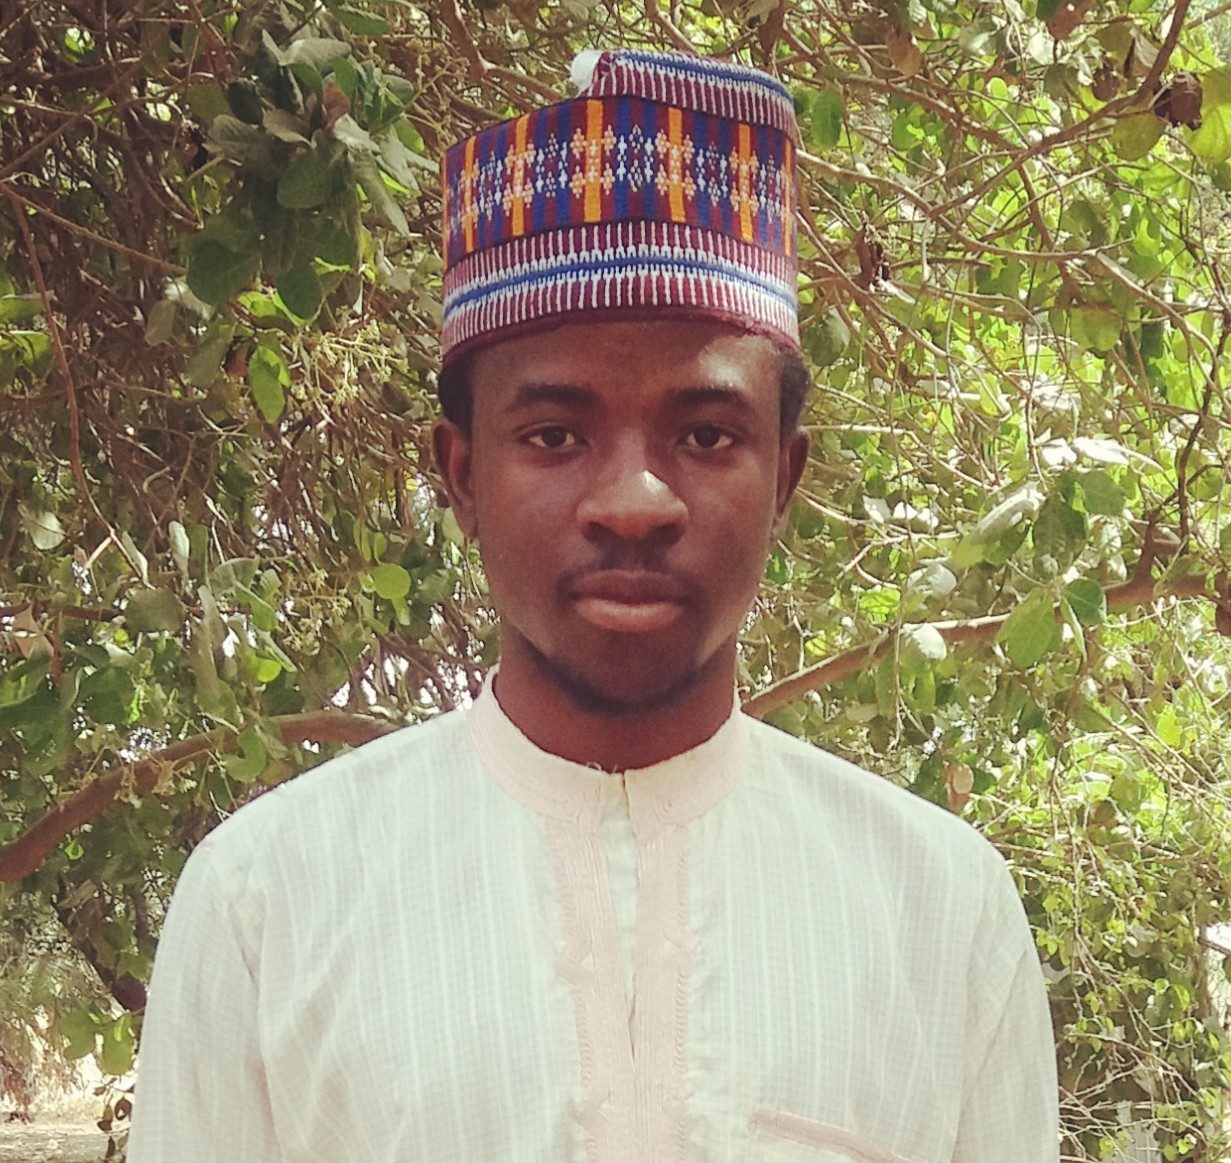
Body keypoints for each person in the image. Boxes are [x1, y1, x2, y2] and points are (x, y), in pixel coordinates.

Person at [127, 48, 1060, 1162]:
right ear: (462, 475)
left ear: (784, 476)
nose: (632, 502)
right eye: (554, 434)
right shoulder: (266, 903)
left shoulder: (943, 911)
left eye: (704, 434)